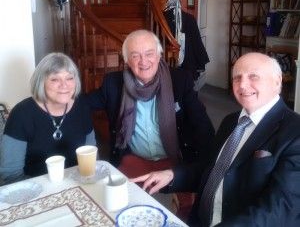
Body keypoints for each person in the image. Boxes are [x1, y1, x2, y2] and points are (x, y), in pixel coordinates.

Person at [132, 52, 300, 227]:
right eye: (237, 78)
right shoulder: (231, 121)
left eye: (253, 76)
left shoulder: (295, 133)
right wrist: (172, 175)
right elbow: (211, 169)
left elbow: (279, 211)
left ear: (277, 81)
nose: (242, 85)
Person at [86, 29, 214, 172]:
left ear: (159, 56)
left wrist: (206, 168)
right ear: (127, 61)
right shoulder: (112, 84)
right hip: (132, 160)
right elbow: (82, 105)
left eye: (149, 54)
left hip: (175, 161)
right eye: (135, 56)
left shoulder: (180, 80)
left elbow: (202, 124)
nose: (143, 61)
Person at [0, 53, 96, 185]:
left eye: (69, 78)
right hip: (34, 188)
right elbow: (11, 175)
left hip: (77, 183)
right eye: (55, 79)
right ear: (41, 82)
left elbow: (90, 153)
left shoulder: (82, 107)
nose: (64, 85)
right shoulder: (21, 114)